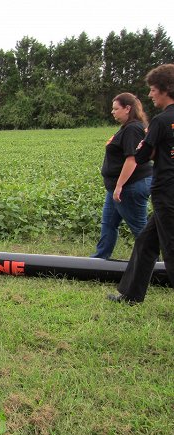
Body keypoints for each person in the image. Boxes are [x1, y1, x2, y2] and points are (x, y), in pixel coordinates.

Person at [109, 64, 174, 304]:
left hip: (166, 191)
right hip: (167, 192)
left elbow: (142, 155)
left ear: (165, 89)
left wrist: (150, 148)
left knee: (170, 249)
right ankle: (131, 295)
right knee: (146, 242)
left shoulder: (160, 121)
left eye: (153, 89)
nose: (149, 95)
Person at [91, 93, 153, 259]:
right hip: (117, 187)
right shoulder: (127, 127)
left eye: (116, 109)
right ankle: (100, 259)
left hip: (130, 186)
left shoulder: (133, 129)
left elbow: (132, 160)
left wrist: (119, 186)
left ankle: (154, 267)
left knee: (139, 227)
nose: (113, 112)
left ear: (127, 109)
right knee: (108, 224)